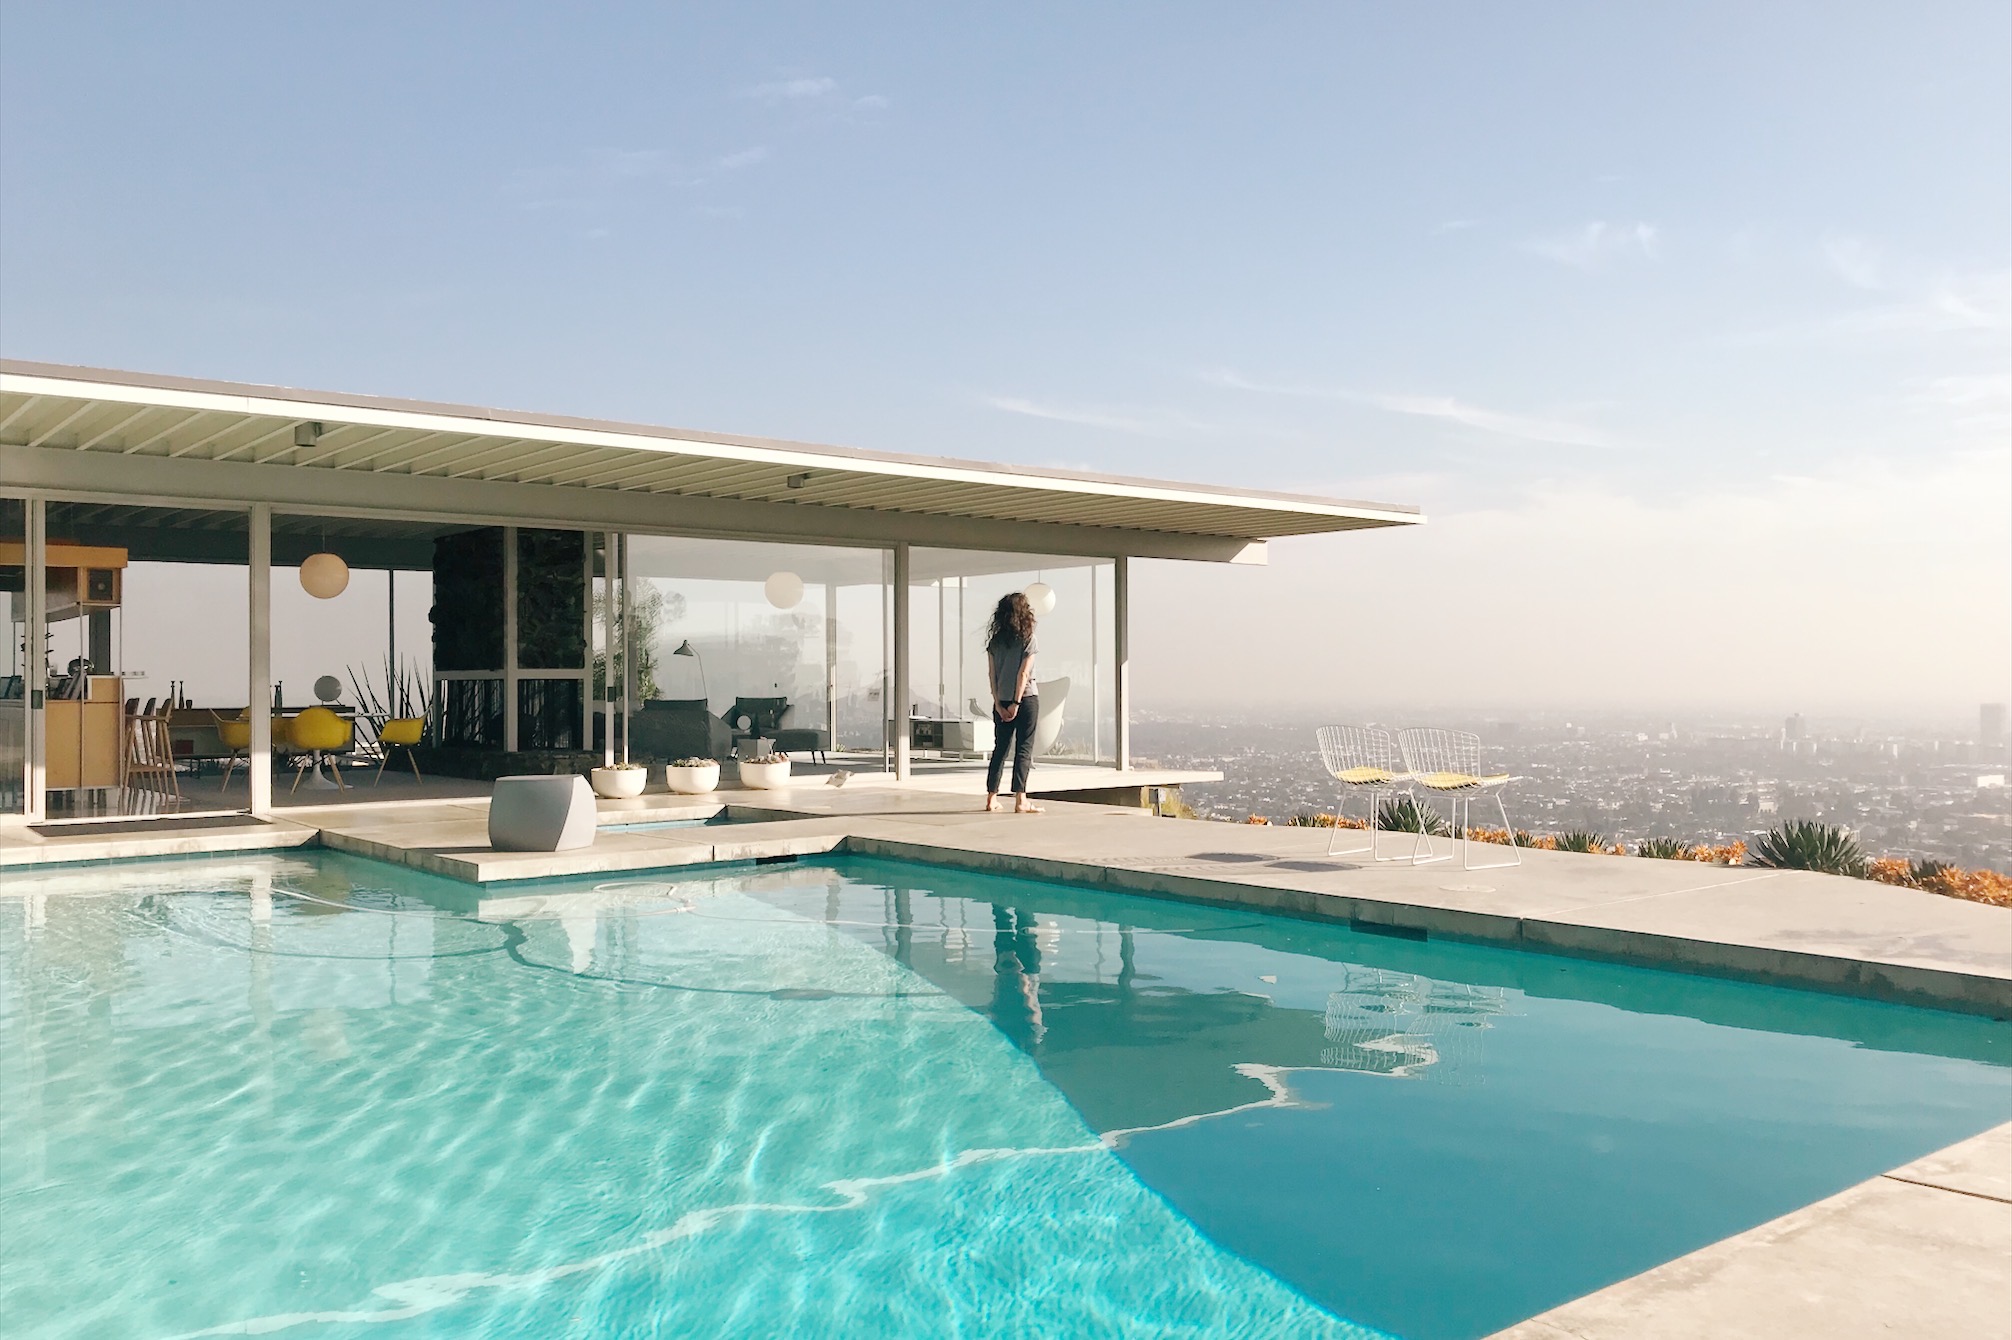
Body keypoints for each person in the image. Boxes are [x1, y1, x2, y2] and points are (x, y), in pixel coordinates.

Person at [982, 591, 1043, 814]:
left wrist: (999, 703)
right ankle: (1021, 800)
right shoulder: (1029, 639)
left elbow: (992, 674)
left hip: (1002, 700)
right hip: (1025, 700)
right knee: (1023, 749)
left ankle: (991, 798)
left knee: (1000, 749)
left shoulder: (995, 643)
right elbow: (1023, 674)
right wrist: (1016, 703)